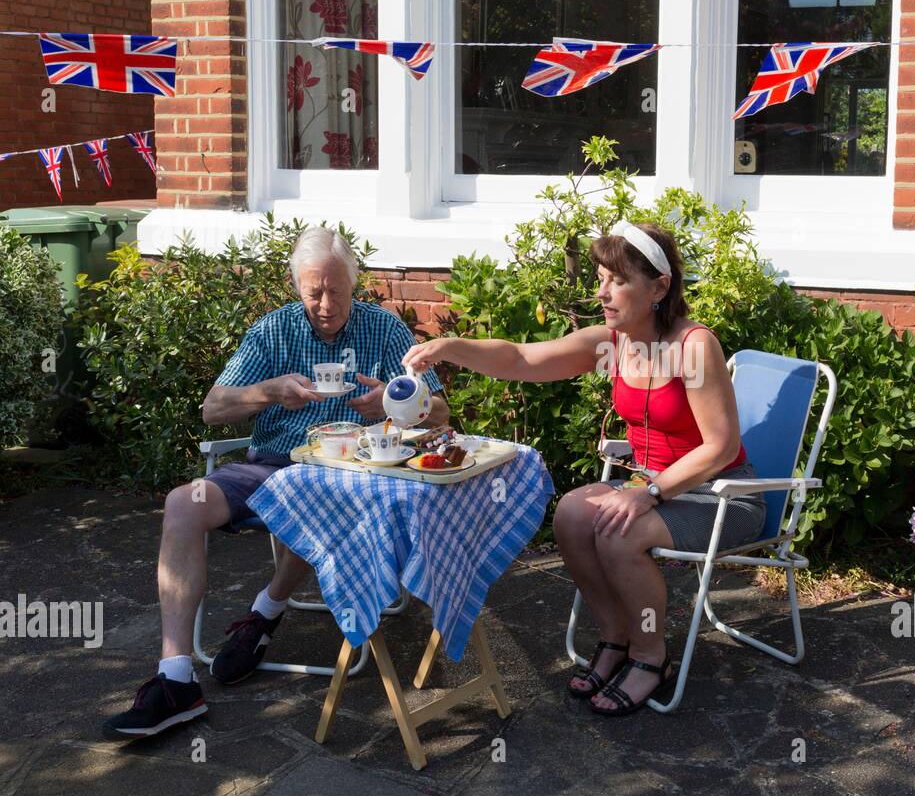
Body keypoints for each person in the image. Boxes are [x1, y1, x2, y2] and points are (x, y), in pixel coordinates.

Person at [402, 221, 764, 716]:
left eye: (618, 281)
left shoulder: (693, 346)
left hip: (723, 495)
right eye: (600, 278)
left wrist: (649, 492)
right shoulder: (613, 342)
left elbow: (721, 447)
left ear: (659, 287)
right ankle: (615, 640)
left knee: (619, 531)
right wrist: (450, 348)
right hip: (656, 488)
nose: (603, 293)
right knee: (572, 515)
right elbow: (524, 359)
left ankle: (650, 655)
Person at [103, 226, 448, 740]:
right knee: (182, 503)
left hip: (351, 476)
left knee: (315, 497)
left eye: (336, 290)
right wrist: (267, 391)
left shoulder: (387, 331)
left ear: (356, 283)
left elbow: (441, 412)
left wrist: (400, 405)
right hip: (270, 466)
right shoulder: (274, 331)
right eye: (313, 292)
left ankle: (264, 612)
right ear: (297, 287)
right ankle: (176, 678)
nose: (326, 304)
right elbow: (213, 409)